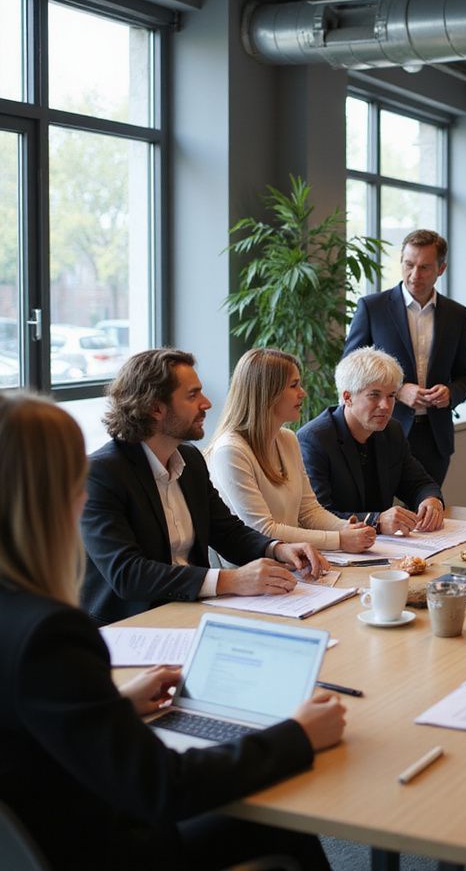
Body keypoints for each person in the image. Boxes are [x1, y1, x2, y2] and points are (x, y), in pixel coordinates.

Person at [0, 392, 344, 871]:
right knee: (279, 823)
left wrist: (113, 707)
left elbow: (26, 727)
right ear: (49, 495)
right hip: (105, 847)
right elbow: (165, 785)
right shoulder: (50, 635)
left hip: (44, 834)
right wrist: (298, 735)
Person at [80, 349, 329, 626]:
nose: (207, 403)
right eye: (192, 395)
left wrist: (277, 548)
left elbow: (227, 531)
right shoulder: (100, 473)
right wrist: (232, 580)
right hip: (130, 626)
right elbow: (128, 574)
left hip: (193, 613)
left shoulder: (190, 460)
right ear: (155, 408)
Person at [207, 347, 376, 554]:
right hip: (250, 571)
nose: (303, 392)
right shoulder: (230, 451)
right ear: (268, 393)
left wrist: (347, 528)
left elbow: (309, 511)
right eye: (294, 385)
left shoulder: (287, 438)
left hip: (290, 562)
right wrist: (339, 539)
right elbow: (262, 529)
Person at [343, 229, 466, 486]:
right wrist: (398, 390)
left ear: (441, 268)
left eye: (425, 267)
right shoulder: (373, 308)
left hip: (434, 437)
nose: (415, 275)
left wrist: (450, 393)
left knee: (429, 511)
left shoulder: (456, 314)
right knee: (384, 513)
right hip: (380, 429)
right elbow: (350, 370)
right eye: (409, 264)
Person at [298, 347, 445, 533]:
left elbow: (419, 483)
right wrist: (375, 521)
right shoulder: (315, 439)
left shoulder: (392, 430)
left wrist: (431, 500)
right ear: (347, 397)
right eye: (374, 395)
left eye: (391, 395)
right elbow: (317, 515)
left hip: (385, 548)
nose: (385, 406)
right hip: (337, 550)